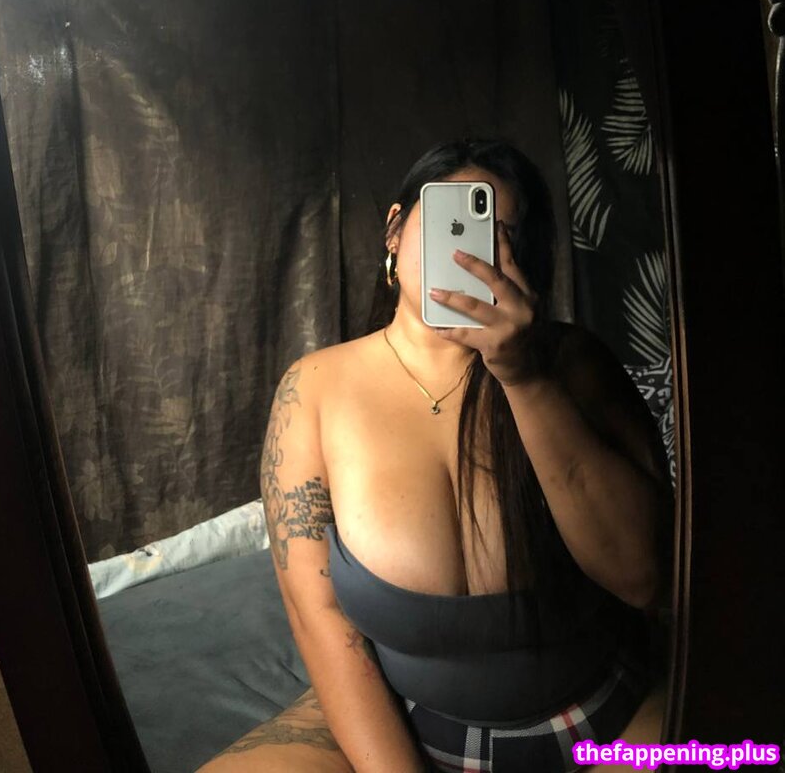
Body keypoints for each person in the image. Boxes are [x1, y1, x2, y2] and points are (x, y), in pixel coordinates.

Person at [195, 137, 674, 773]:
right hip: (411, 719)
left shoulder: (574, 365)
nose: (475, 253)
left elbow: (645, 579)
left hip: (606, 717)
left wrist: (524, 376)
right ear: (395, 231)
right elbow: (321, 617)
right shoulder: (313, 390)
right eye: (457, 222)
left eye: (504, 236)